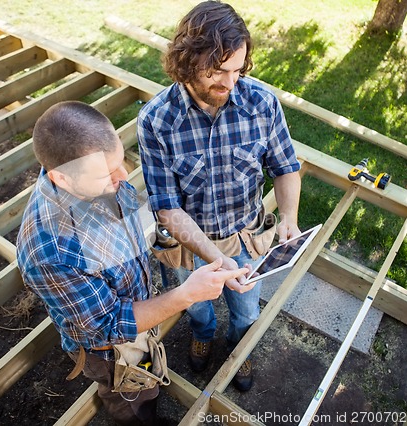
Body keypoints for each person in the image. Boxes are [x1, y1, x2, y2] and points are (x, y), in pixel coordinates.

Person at [16, 101, 249, 425]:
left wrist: (217, 257)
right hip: (110, 352)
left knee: (147, 379)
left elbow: (145, 221)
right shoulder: (51, 250)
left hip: (138, 318)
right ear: (62, 178)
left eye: (120, 160)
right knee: (135, 400)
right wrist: (187, 294)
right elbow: (109, 326)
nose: (123, 177)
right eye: (106, 174)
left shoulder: (91, 178)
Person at [137, 0, 302, 392]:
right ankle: (203, 335)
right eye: (216, 71)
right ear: (186, 61)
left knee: (246, 310)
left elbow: (286, 168)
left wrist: (290, 218)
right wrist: (218, 261)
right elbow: (166, 208)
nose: (229, 84)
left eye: (237, 70)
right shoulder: (157, 121)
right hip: (190, 244)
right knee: (197, 306)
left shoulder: (261, 103)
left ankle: (239, 351)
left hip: (246, 235)